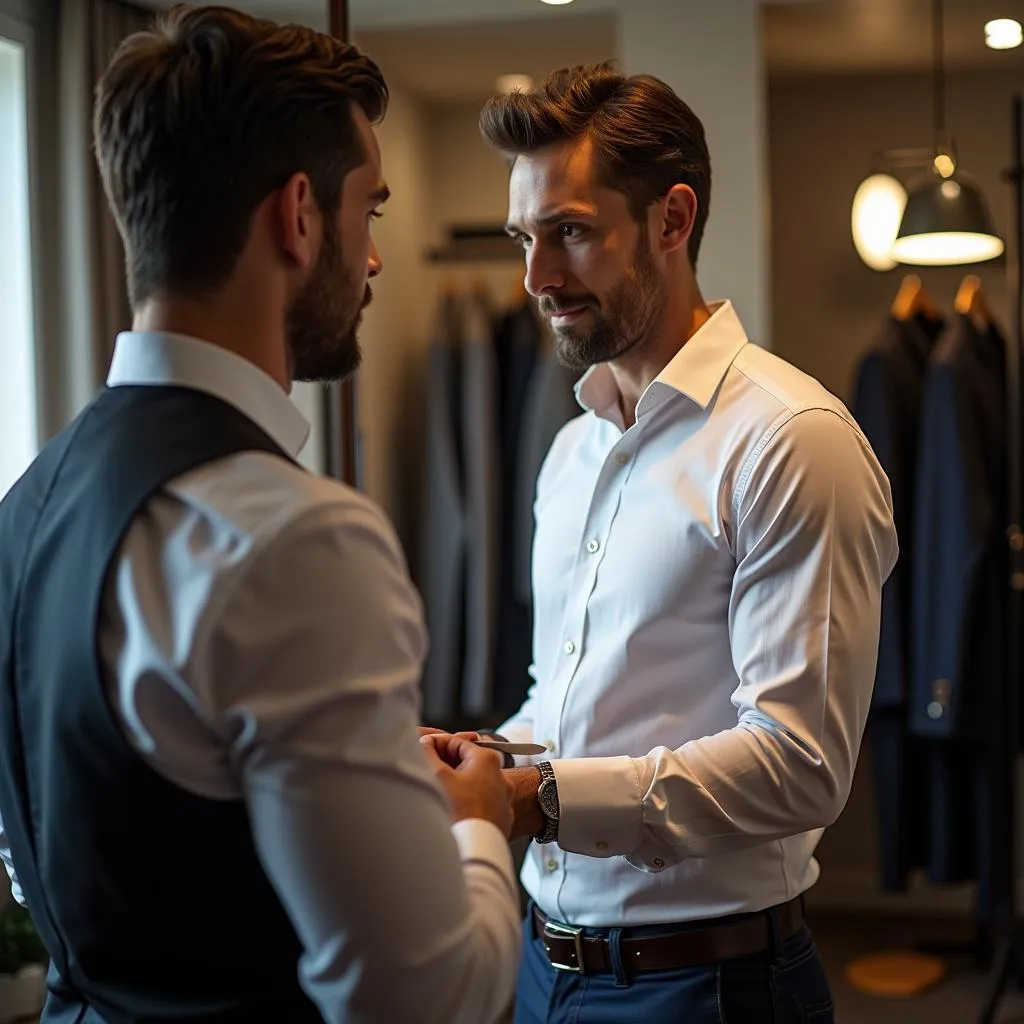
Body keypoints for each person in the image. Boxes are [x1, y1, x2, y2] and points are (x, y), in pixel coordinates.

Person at [0, 6, 521, 1023]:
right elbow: (423, 998)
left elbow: (62, 860)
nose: (373, 260)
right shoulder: (289, 535)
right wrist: (478, 826)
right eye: (369, 210)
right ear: (297, 214)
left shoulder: (23, 507)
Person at [423, 62, 898, 1023]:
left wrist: (540, 801)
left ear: (672, 221)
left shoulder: (789, 440)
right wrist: (483, 757)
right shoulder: (571, 449)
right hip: (540, 969)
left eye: (571, 234)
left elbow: (800, 764)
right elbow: (570, 704)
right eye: (526, 238)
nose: (536, 279)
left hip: (711, 986)